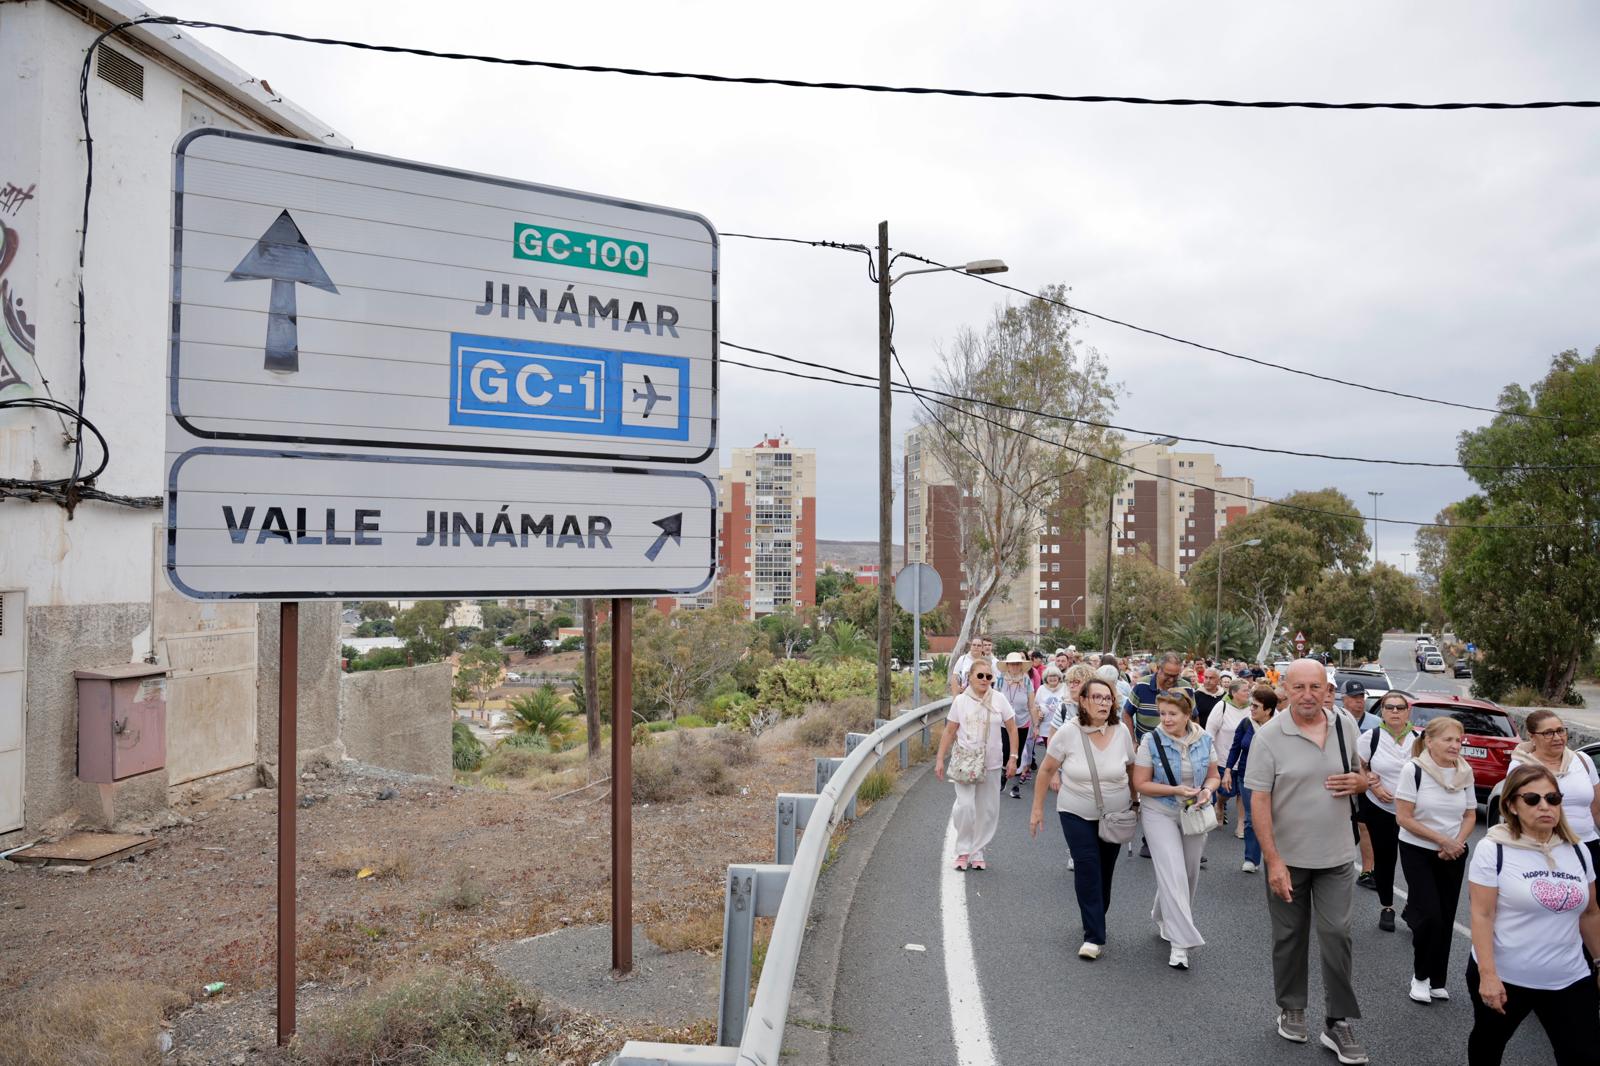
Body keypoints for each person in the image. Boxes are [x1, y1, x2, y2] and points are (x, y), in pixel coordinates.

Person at [1245, 659, 1368, 1064]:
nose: (1308, 695)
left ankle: (1338, 1021)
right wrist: (1273, 861)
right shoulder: (1269, 737)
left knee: (1338, 935)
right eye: (1299, 688)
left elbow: (1360, 771)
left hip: (1335, 856)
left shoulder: (1343, 725)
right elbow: (1258, 800)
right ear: (1285, 690)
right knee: (1289, 936)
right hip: (1287, 858)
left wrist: (1362, 782)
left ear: (1326, 689)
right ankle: (1292, 1006)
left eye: (1316, 687)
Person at [1466, 762, 1600, 1065]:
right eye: (1532, 799)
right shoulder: (1494, 849)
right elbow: (1482, 914)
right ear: (1512, 804)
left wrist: (1599, 962)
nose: (1545, 806)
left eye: (1553, 799)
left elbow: (1590, 913)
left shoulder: (1578, 851)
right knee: (1488, 1047)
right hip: (1507, 977)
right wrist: (1488, 976)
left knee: (1585, 1054)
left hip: (1569, 977)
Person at [1030, 676, 1136, 960]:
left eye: (1108, 698)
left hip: (1114, 813)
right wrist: (1037, 808)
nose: (1104, 702)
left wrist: (1137, 804)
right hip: (1075, 810)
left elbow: (1132, 768)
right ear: (1084, 701)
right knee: (1087, 866)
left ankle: (1094, 916)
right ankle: (1093, 936)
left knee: (1104, 872)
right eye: (1097, 697)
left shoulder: (1122, 731)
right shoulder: (1068, 732)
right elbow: (1046, 769)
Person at [1132, 689, 1219, 970]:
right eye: (1163, 714)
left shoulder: (1204, 739)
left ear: (1187, 715)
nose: (1166, 719)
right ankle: (1180, 943)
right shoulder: (1150, 740)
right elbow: (1141, 784)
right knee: (1173, 871)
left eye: (1172, 714)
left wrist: (1207, 790)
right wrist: (1175, 789)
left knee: (1190, 872)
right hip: (1160, 810)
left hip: (1193, 811)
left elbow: (1214, 776)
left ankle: (1161, 912)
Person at [1394, 717, 1475, 1004]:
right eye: (1448, 740)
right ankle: (1420, 977)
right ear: (1429, 741)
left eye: (1458, 740)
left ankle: (1437, 980)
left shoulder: (1465, 771)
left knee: (1446, 915)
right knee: (1430, 914)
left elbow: (1470, 815)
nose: (1455, 745)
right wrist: (1442, 841)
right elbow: (1404, 817)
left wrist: (1457, 842)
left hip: (1454, 851)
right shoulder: (1413, 770)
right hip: (1419, 849)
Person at [935, 661, 1018, 871]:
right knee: (965, 806)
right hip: (966, 762)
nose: (984, 680)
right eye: (980, 676)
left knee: (987, 809)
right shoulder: (961, 701)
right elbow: (950, 730)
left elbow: (1012, 728)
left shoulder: (998, 699)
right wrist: (939, 759)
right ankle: (963, 850)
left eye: (989, 677)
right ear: (970, 677)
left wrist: (1014, 757)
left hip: (991, 762)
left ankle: (977, 850)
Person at [1356, 690, 1420, 930]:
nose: (1394, 711)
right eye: (1389, 707)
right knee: (1385, 859)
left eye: (1399, 707)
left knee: (1414, 862)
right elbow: (1358, 766)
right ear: (1382, 710)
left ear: (1408, 712)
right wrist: (1372, 783)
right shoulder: (1370, 737)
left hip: (1413, 813)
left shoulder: (1419, 740)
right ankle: (1387, 907)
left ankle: (1413, 909)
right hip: (1379, 807)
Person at [1508, 710, 1600, 872]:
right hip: (1542, 849)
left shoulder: (1582, 760)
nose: (1557, 737)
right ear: (1532, 736)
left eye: (1560, 730)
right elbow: (1514, 812)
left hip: (1587, 845)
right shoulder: (1521, 767)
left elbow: (1597, 809)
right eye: (1548, 733)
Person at [1225, 687, 1278, 872]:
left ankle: (1277, 859)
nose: (1251, 709)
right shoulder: (1246, 724)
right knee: (1251, 817)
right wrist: (1227, 770)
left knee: (1276, 818)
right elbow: (1235, 748)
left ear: (1268, 710)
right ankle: (1251, 859)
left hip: (1274, 779)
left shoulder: (1279, 726)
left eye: (1256, 706)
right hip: (1247, 777)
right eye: (1251, 705)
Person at [1208, 679, 1254, 834]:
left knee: (1242, 791)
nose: (1248, 693)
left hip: (1245, 759)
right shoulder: (1222, 707)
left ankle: (1241, 825)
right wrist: (1211, 757)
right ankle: (1220, 804)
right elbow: (1210, 732)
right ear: (1234, 693)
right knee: (1226, 792)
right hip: (1223, 757)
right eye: (1244, 690)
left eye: (1249, 690)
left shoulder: (1251, 708)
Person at [997, 652, 1037, 798]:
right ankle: (1003, 776)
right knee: (1006, 752)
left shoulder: (1027, 681)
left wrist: (1036, 725)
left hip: (1022, 722)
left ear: (1021, 666)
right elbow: (993, 701)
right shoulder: (1000, 680)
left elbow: (1032, 705)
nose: (1014, 666)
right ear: (1007, 665)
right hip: (1003, 722)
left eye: (1017, 664)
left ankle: (1014, 786)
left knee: (1018, 753)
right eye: (1012, 663)